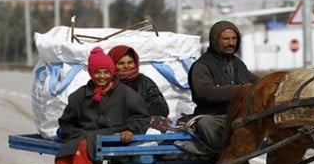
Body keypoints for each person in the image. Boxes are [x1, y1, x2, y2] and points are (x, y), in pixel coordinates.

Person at [41, 46, 151, 164]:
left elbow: (142, 117)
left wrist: (130, 130)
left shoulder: (126, 94)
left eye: (105, 72)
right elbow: (66, 123)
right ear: (92, 73)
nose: (102, 76)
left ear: (111, 72)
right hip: (84, 135)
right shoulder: (79, 97)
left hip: (112, 136)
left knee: (85, 144)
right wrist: (76, 134)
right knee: (64, 153)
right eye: (97, 72)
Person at [183, 20, 259, 153]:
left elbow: (257, 82)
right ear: (214, 40)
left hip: (241, 115)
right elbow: (203, 93)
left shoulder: (238, 64)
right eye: (226, 39)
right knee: (206, 123)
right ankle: (224, 155)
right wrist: (240, 91)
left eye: (234, 38)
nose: (231, 43)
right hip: (216, 116)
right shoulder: (202, 65)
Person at [108, 45, 170, 118]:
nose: (126, 66)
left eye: (130, 62)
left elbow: (162, 109)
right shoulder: (106, 83)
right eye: (121, 63)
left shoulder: (144, 82)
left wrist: (135, 110)